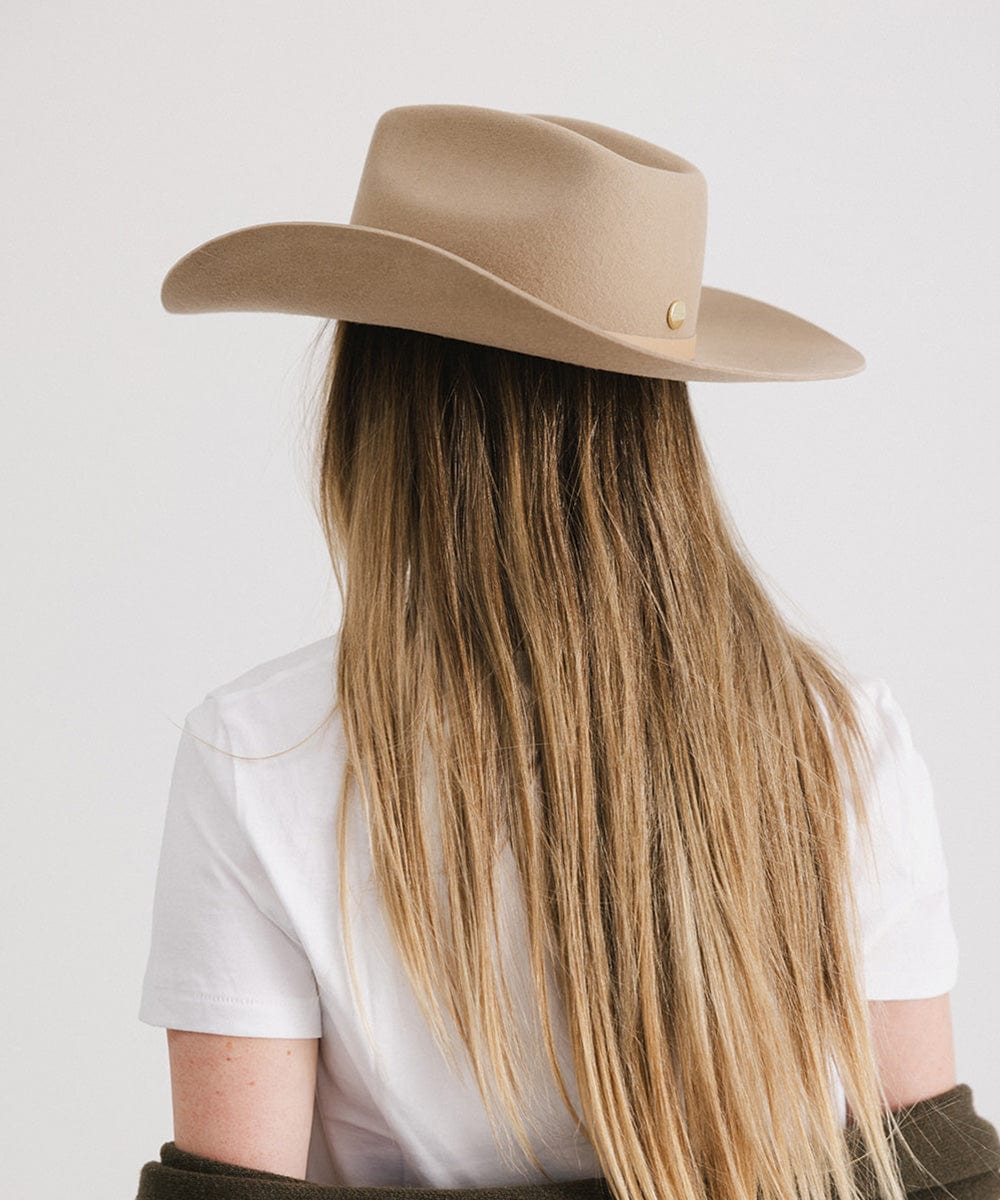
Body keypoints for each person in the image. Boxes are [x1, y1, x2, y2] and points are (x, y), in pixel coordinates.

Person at [137, 105, 995, 1200]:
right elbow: (930, 1180)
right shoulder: (837, 736)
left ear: (372, 406)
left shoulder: (258, 753)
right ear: (659, 420)